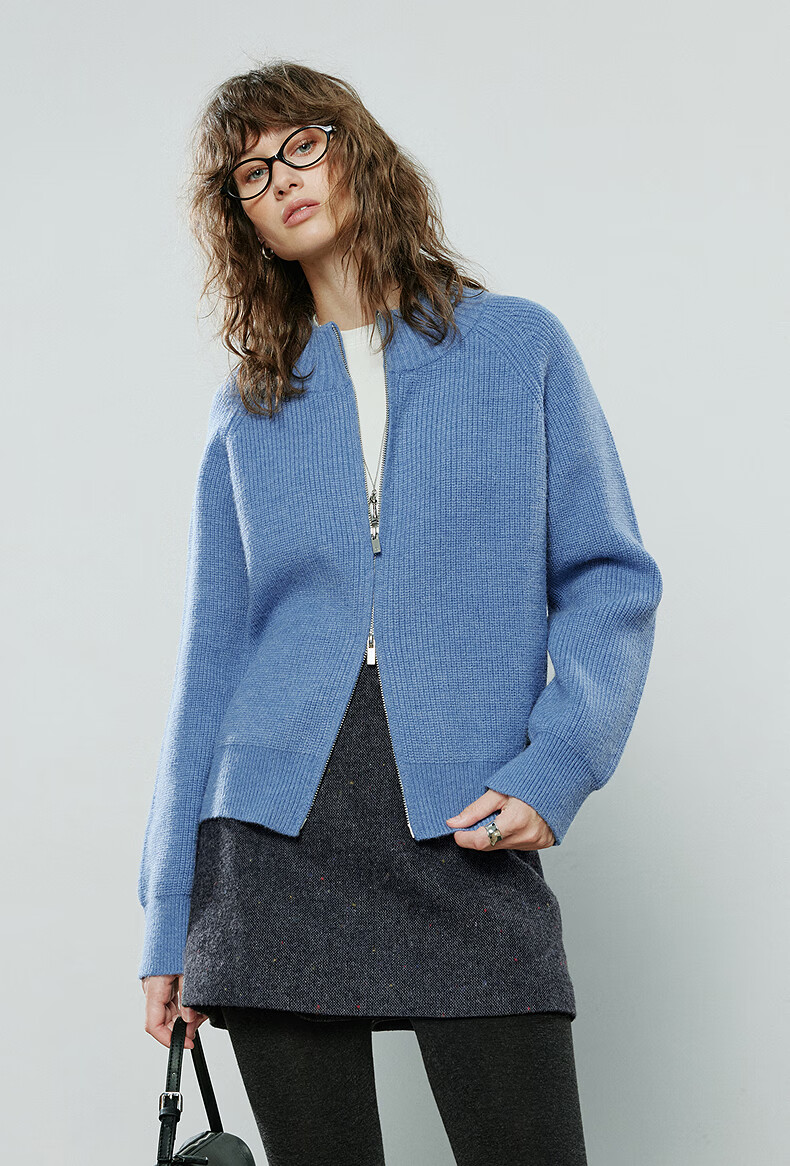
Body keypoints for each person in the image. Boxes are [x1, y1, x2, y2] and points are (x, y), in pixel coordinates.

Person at [138, 59, 662, 1166]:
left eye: (301, 145)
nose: (281, 178)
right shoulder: (249, 405)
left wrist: (557, 764)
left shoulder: (518, 346)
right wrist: (168, 913)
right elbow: (209, 663)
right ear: (242, 220)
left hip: (461, 817)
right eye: (249, 173)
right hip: (272, 847)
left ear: (355, 149)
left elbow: (610, 577)